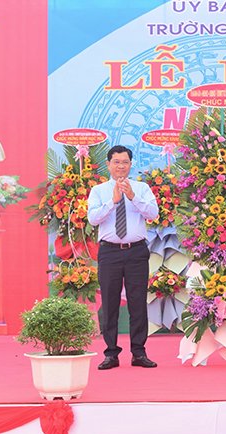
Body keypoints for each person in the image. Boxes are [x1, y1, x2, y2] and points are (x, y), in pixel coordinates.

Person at [87, 145, 159, 370]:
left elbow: (153, 213)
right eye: (116, 162)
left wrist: (132, 197)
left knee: (138, 302)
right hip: (109, 251)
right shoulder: (98, 190)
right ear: (108, 164)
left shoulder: (141, 188)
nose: (120, 166)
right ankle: (110, 354)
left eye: (125, 162)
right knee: (109, 302)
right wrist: (114, 201)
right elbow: (93, 219)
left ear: (130, 164)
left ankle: (139, 352)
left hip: (136, 250)